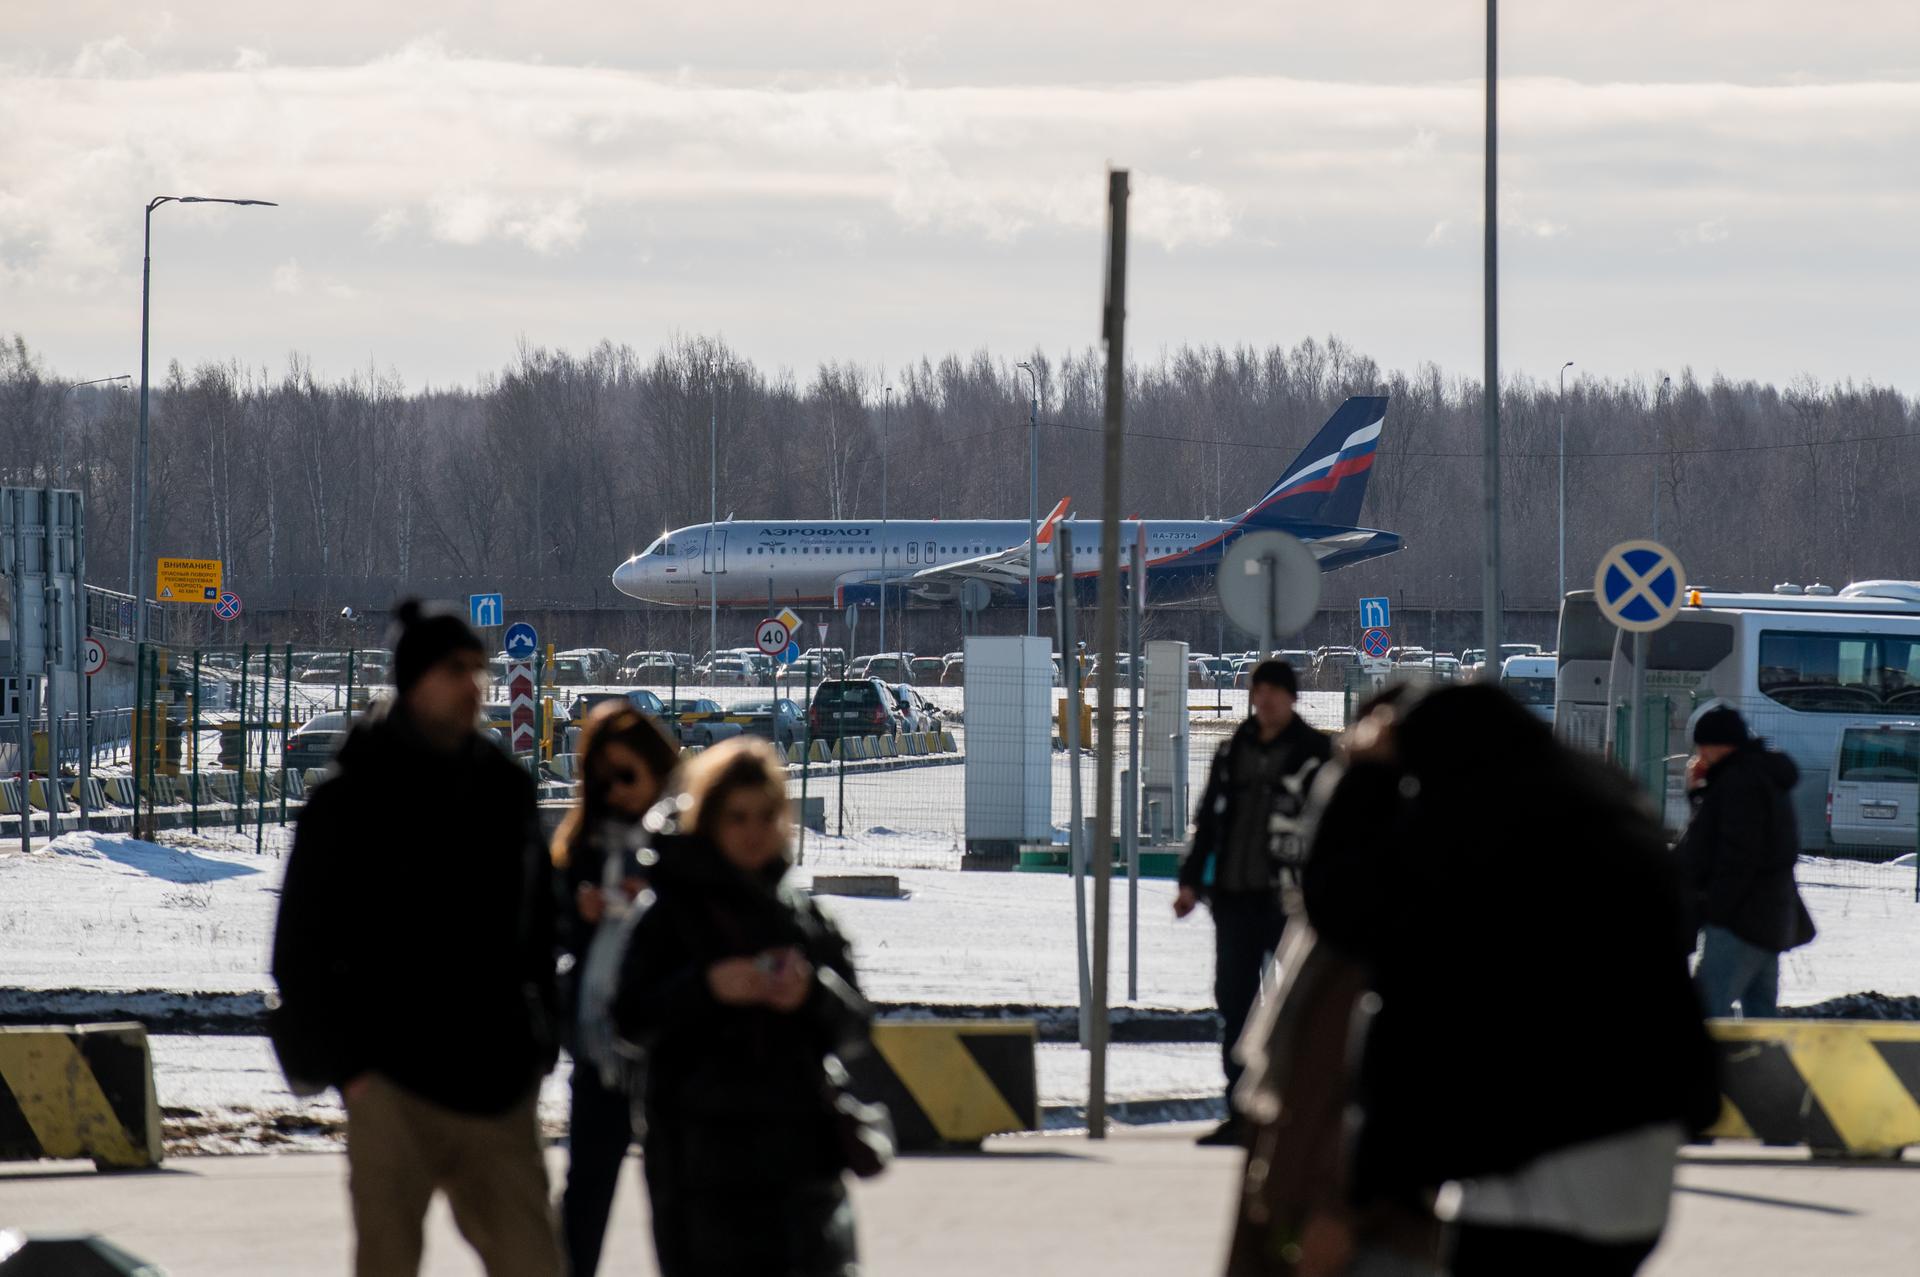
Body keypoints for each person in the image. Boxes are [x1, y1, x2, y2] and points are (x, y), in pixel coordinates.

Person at [1297, 684, 1720, 1277]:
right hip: (1641, 1158)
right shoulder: (1599, 811)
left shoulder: (1477, 836)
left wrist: (1363, 776)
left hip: (1533, 1172)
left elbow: (1347, 911)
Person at [269, 600, 562, 1277]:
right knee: (388, 1262)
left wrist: (539, 1039)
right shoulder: (349, 800)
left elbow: (540, 927)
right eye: (455, 669)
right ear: (413, 680)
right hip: (389, 1082)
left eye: (479, 669)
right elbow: (302, 945)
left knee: (532, 1260)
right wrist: (351, 1069)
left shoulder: (503, 791)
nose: (474, 685)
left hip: (497, 1078)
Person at [613, 738, 870, 1277]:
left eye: (766, 816)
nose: (754, 832)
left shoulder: (800, 916)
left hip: (801, 1173)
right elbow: (629, 1021)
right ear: (708, 821)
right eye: (737, 817)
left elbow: (856, 1030)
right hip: (702, 1170)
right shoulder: (669, 914)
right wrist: (707, 988)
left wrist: (811, 994)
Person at [1176, 657, 1333, 1146]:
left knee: (1301, 1007)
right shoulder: (1232, 752)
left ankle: (1299, 1113)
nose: (1264, 700)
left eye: (1273, 691)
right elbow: (1208, 822)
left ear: (1291, 697)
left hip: (1293, 905)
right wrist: (1190, 882)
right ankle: (1241, 1111)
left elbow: (1335, 830)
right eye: (1258, 690)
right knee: (1235, 1003)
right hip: (1234, 898)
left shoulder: (1316, 754)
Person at [550, 700, 680, 1277]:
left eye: (627, 776)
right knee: (587, 1186)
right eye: (602, 781)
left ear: (657, 769)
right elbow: (554, 934)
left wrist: (652, 904)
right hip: (599, 1041)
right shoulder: (584, 844)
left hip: (670, 1044)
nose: (616, 792)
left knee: (678, 1192)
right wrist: (580, 915)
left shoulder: (684, 839)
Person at [1674, 704, 1815, 1017]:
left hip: (1739, 922)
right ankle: (1765, 1053)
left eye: (1703, 745)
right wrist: (1698, 794)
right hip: (1768, 917)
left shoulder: (1739, 782)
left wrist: (1714, 910)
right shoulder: (1758, 776)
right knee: (1760, 1017)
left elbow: (1735, 854)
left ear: (1720, 745)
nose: (1699, 754)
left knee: (1707, 1010)